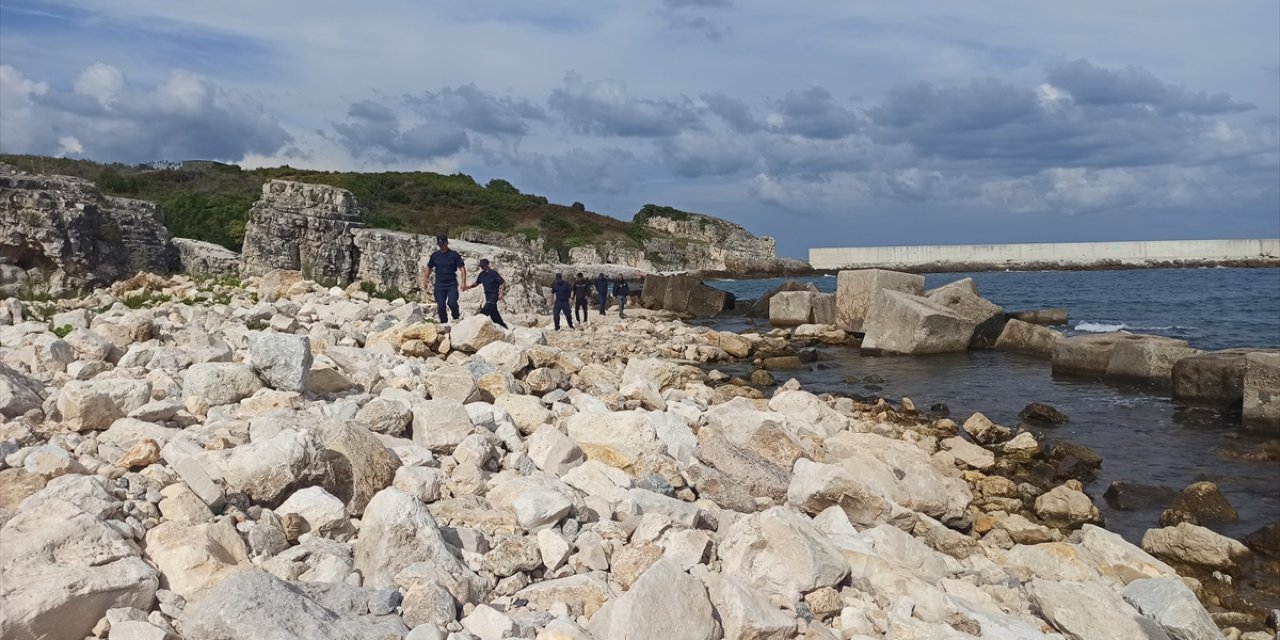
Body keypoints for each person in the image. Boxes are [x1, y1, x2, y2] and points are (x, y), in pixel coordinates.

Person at [423, 235, 466, 324]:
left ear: (446, 243)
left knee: (452, 303)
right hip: (439, 284)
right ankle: (444, 323)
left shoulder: (454, 255)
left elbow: (462, 269)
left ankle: (456, 317)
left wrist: (463, 283)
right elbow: (429, 267)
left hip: (451, 284)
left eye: (442, 243)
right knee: (441, 306)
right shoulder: (435, 256)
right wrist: (425, 279)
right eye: (439, 244)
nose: (441, 245)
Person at [465, 258, 507, 328]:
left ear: (487, 265)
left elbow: (503, 283)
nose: (482, 268)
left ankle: (477, 324)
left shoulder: (494, 273)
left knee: (486, 310)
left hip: (494, 294)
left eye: (483, 266)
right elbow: (476, 283)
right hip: (487, 295)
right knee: (494, 313)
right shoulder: (481, 274)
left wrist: (501, 293)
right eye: (481, 266)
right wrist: (469, 287)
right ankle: (503, 327)